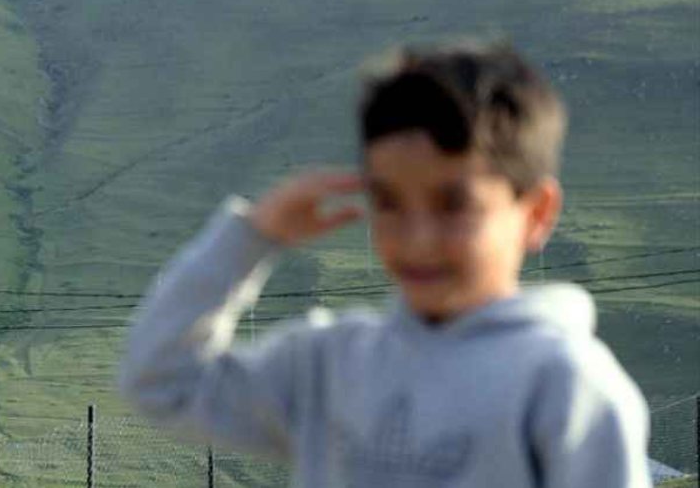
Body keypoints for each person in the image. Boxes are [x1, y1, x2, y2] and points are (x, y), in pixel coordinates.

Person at [118, 43, 650, 487]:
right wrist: (252, 236)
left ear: (535, 213)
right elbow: (162, 383)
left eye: (453, 206)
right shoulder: (329, 364)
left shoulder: (567, 386)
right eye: (390, 202)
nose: (418, 239)